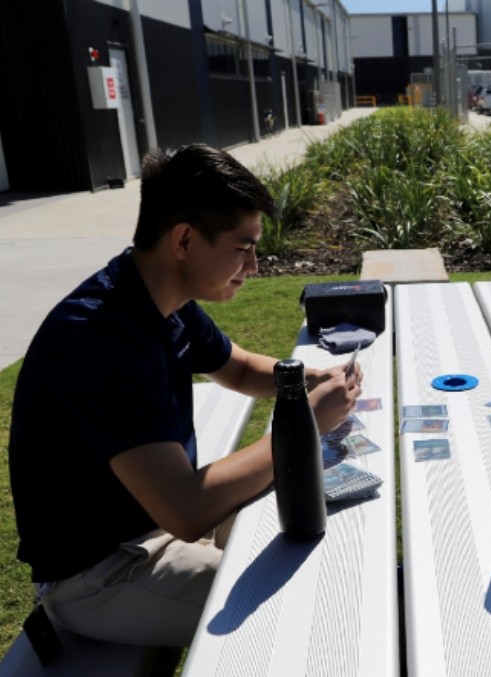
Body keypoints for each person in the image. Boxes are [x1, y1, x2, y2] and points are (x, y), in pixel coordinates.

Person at [8, 144, 362, 647]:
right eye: (242, 249)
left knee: (322, 523)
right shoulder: (98, 342)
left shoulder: (154, 295)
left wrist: (310, 379)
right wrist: (305, 418)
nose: (255, 266)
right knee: (302, 606)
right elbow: (188, 509)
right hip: (102, 574)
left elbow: (236, 366)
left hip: (157, 522)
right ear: (184, 240)